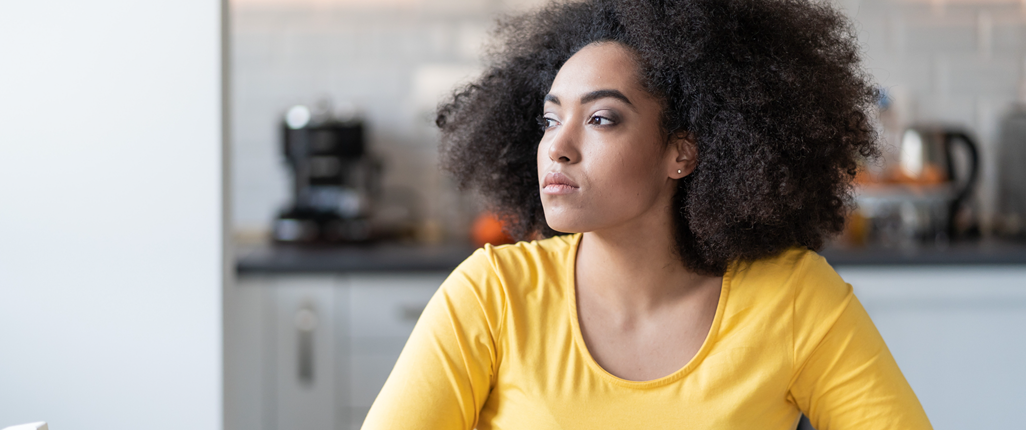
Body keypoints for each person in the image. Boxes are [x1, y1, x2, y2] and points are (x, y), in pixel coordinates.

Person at [363, 0, 933, 428]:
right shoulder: (490, 297)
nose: (558, 147)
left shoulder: (793, 297)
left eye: (602, 119)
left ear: (680, 152)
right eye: (550, 119)